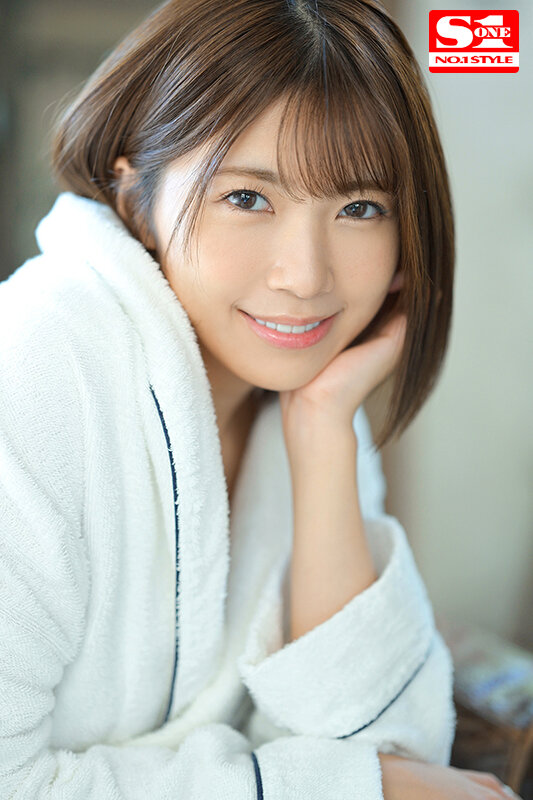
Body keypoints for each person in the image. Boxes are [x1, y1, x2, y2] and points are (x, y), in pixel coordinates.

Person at [0, 0, 521, 798]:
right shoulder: (32, 365)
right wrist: (342, 786)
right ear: (136, 197)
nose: (305, 276)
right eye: (247, 198)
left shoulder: (309, 399)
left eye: (359, 209)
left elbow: (378, 740)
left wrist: (322, 432)